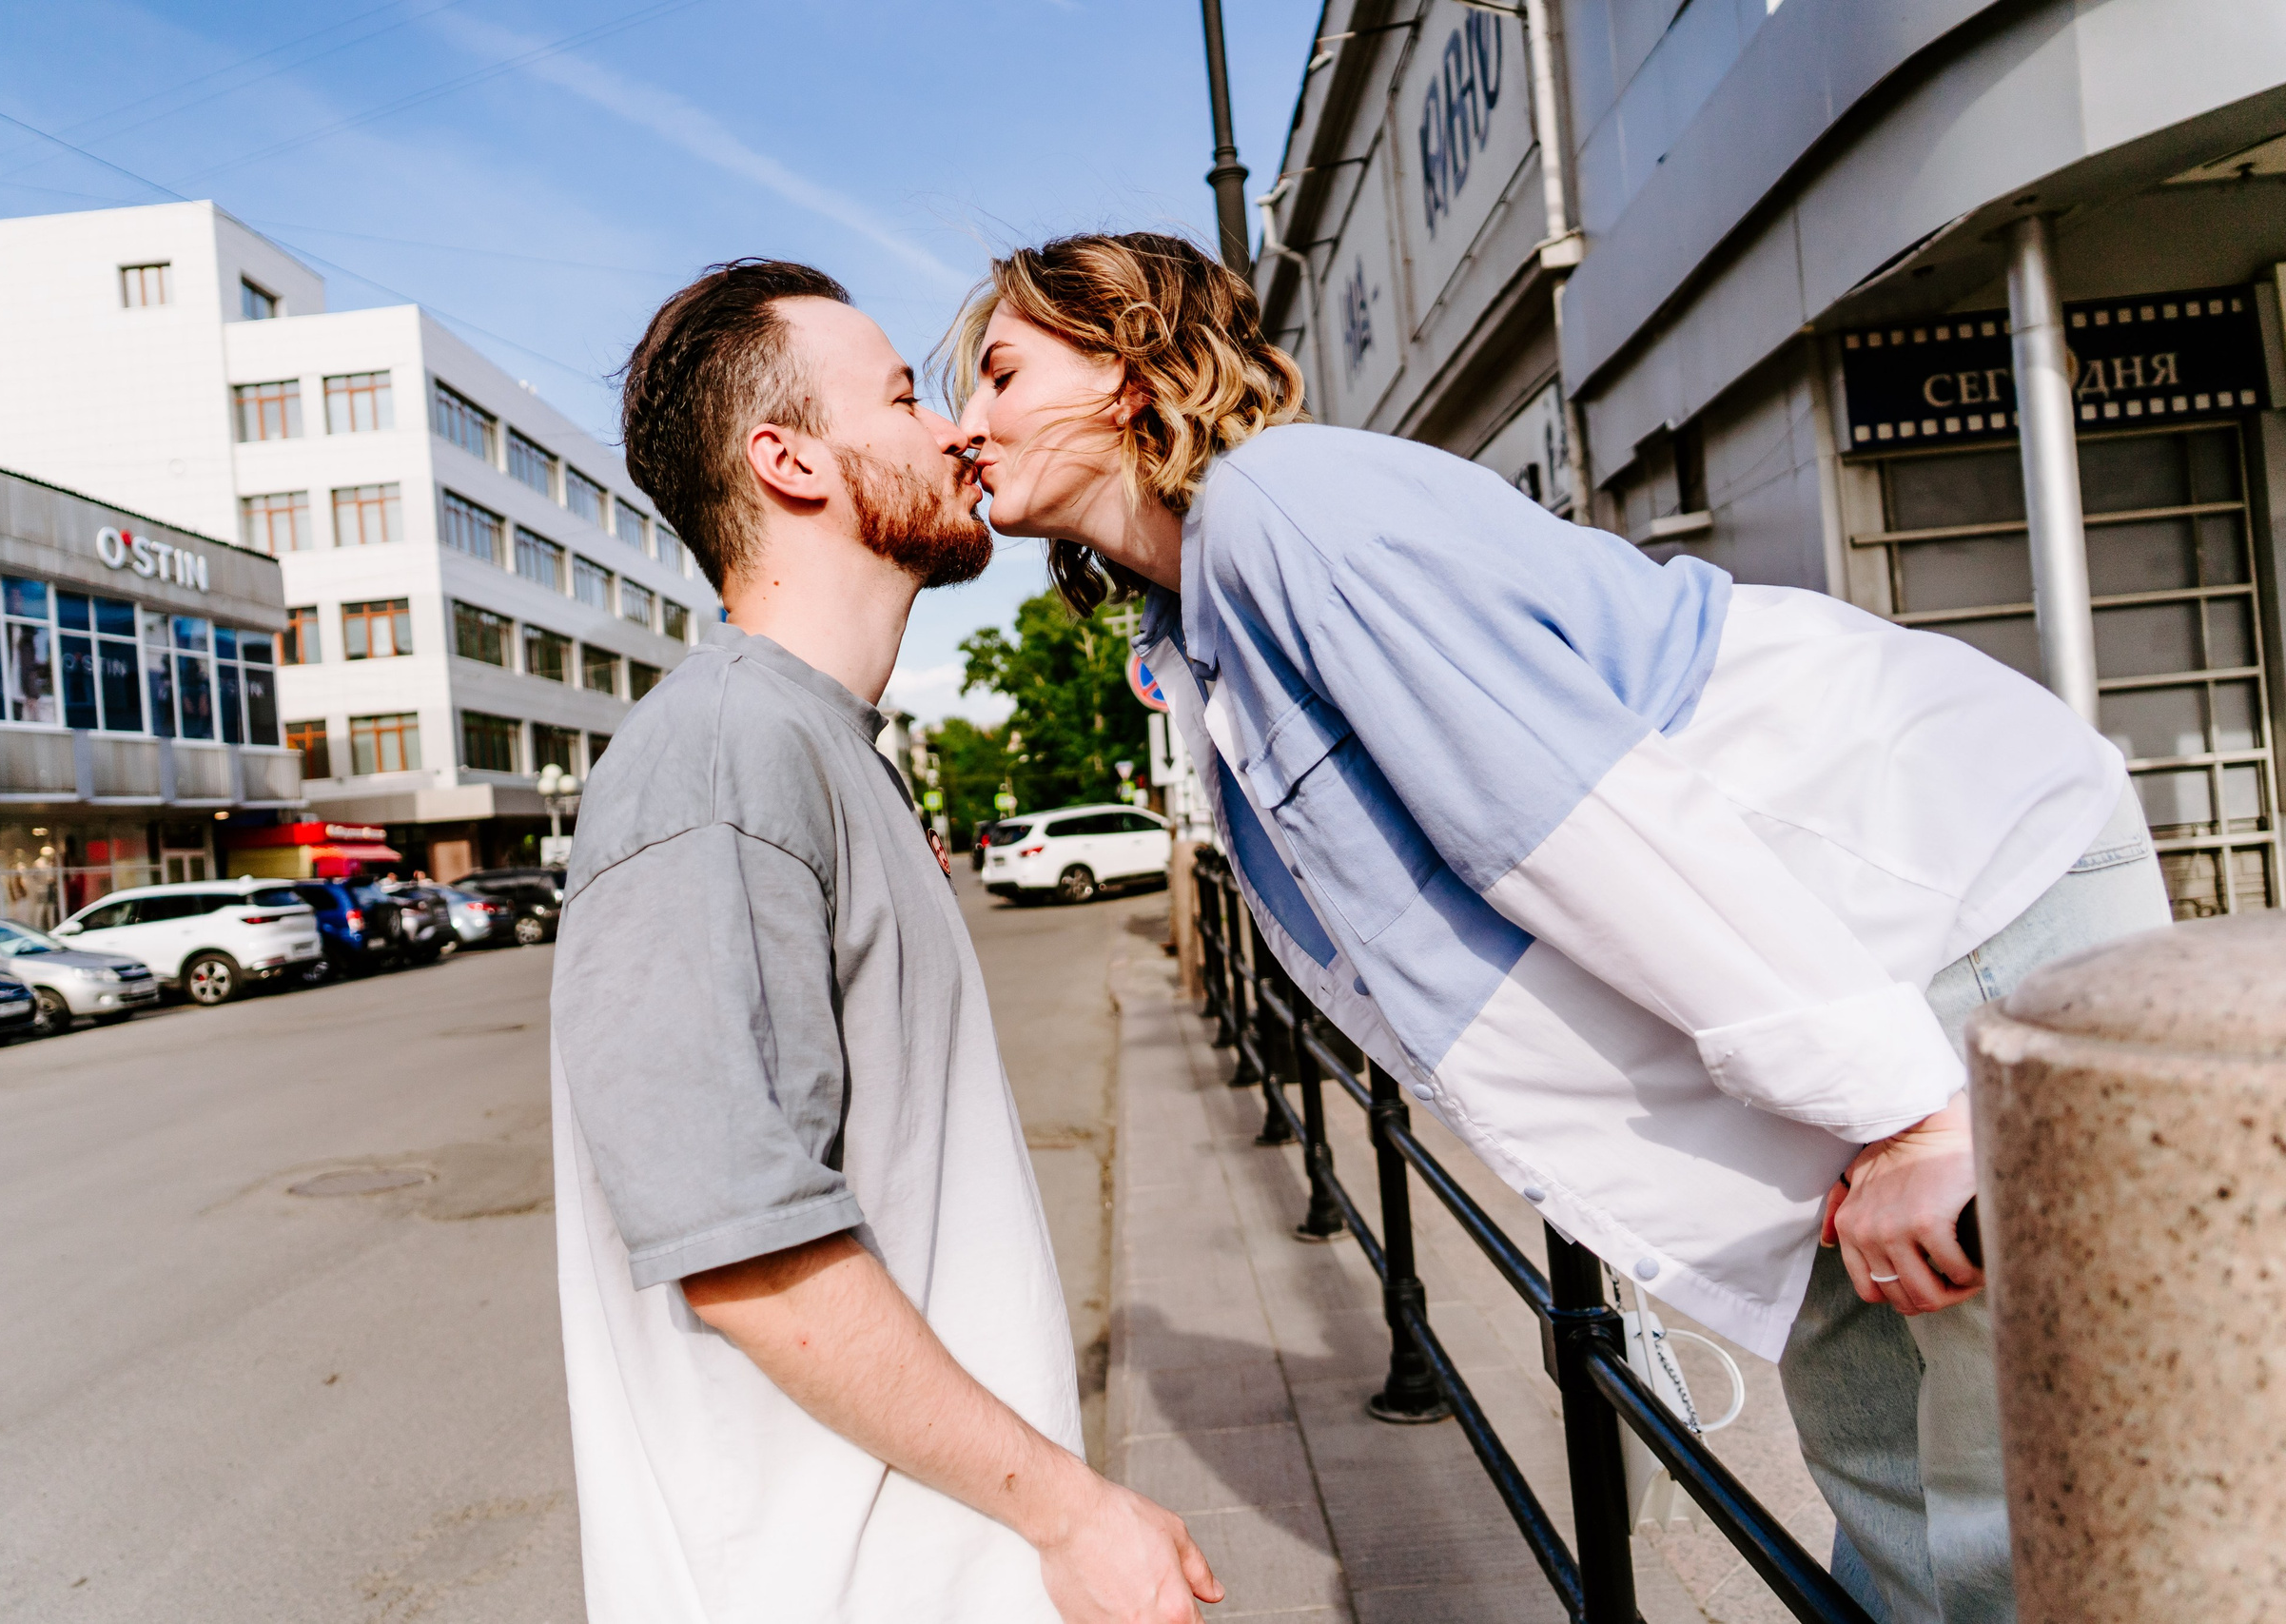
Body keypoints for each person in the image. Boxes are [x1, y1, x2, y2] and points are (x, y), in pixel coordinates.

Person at [947, 231, 2171, 1624]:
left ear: (1133, 362)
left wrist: (1908, 1121)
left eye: (998, 371)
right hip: (1820, 996)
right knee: (1908, 1526)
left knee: (2051, 1533)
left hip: (1932, 903)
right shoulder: (1199, 614)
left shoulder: (1284, 508)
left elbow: (1589, 825)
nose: (963, 424)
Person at [552, 259, 1221, 1624]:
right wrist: (1071, 1510)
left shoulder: (818, 747)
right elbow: (740, 1250)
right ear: (788, 462)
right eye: (909, 396)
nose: (958, 429)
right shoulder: (725, 757)